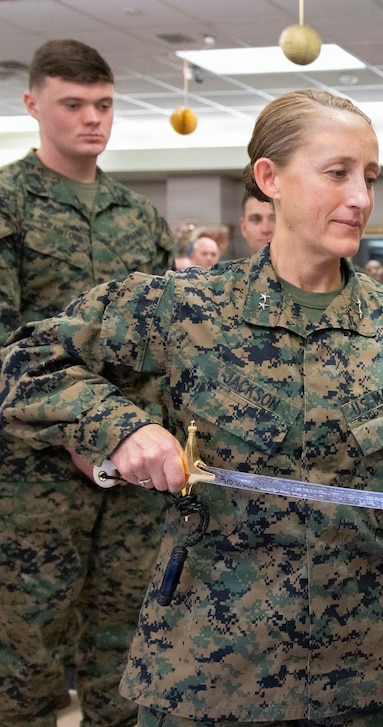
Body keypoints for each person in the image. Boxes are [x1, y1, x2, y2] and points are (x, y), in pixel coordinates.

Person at [0, 88, 383, 726]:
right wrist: (120, 428)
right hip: (209, 672)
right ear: (269, 179)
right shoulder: (186, 309)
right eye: (337, 173)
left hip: (364, 675)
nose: (361, 197)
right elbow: (26, 361)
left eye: (370, 176)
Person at [0, 39, 175, 727]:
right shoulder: (8, 206)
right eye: (72, 105)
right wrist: (84, 433)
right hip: (31, 470)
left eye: (103, 104)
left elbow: (158, 347)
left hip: (131, 469)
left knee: (129, 643)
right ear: (33, 103)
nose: (92, 120)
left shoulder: (141, 220)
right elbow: (7, 350)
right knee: (26, 649)